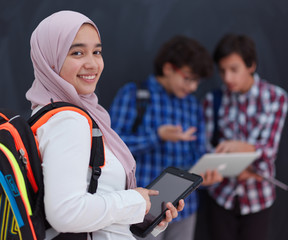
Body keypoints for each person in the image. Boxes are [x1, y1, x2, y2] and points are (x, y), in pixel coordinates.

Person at [25, 10, 185, 240]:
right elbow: (65, 213)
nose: (92, 63)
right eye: (77, 52)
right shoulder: (69, 120)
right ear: (50, 58)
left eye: (96, 52)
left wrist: (145, 215)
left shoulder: (46, 111)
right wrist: (135, 200)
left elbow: (95, 205)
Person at [108, 35, 222, 240]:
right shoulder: (134, 95)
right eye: (188, 78)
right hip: (142, 208)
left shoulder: (192, 106)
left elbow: (198, 153)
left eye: (198, 81)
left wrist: (206, 174)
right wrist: (157, 136)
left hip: (185, 209)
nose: (194, 87)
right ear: (168, 68)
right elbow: (113, 148)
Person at [202, 33, 288, 240]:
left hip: (258, 197)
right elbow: (206, 149)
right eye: (222, 71)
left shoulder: (276, 97)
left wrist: (239, 147)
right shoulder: (213, 100)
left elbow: (269, 150)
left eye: (234, 69)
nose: (227, 78)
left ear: (251, 65)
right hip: (221, 195)